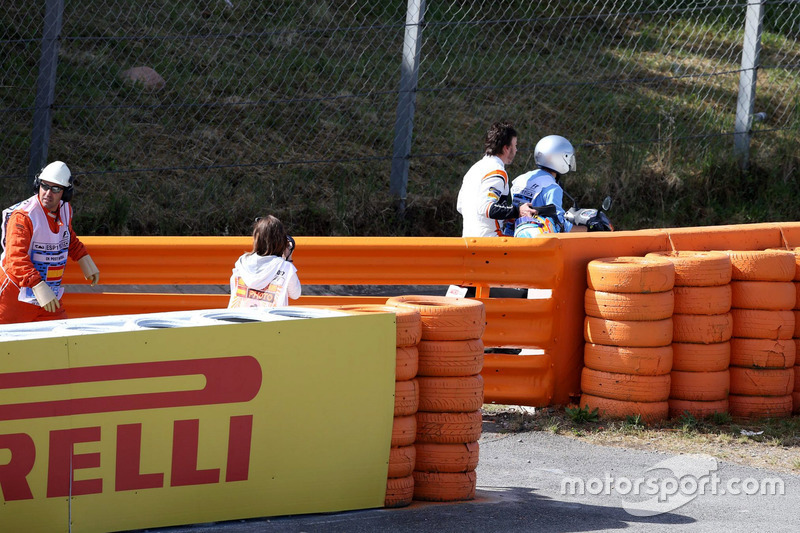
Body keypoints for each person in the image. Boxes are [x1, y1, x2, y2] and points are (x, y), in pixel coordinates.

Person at [0, 161, 100, 324]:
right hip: (15, 295)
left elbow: (67, 237)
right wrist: (37, 284)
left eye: (55, 189)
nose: (48, 193)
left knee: (59, 341)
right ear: (37, 185)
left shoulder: (65, 209)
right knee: (8, 346)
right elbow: (15, 258)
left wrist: (83, 258)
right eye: (44, 186)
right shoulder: (24, 216)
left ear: (65, 193)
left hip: (47, 293)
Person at [457, 121, 537, 238]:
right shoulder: (497, 171)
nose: (516, 150)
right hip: (490, 240)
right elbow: (486, 207)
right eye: (515, 146)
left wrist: (504, 217)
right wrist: (517, 211)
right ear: (506, 148)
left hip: (468, 238)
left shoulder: (475, 168)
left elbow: (460, 206)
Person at [507, 134, 587, 237]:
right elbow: (560, 225)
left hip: (510, 236)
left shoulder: (521, 178)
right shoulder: (552, 187)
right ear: (561, 158)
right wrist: (587, 230)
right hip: (532, 242)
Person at [228, 215, 301, 308]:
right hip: (270, 321)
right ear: (280, 241)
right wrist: (288, 257)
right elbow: (295, 294)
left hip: (239, 318)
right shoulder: (285, 267)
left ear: (256, 238)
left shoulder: (242, 261)